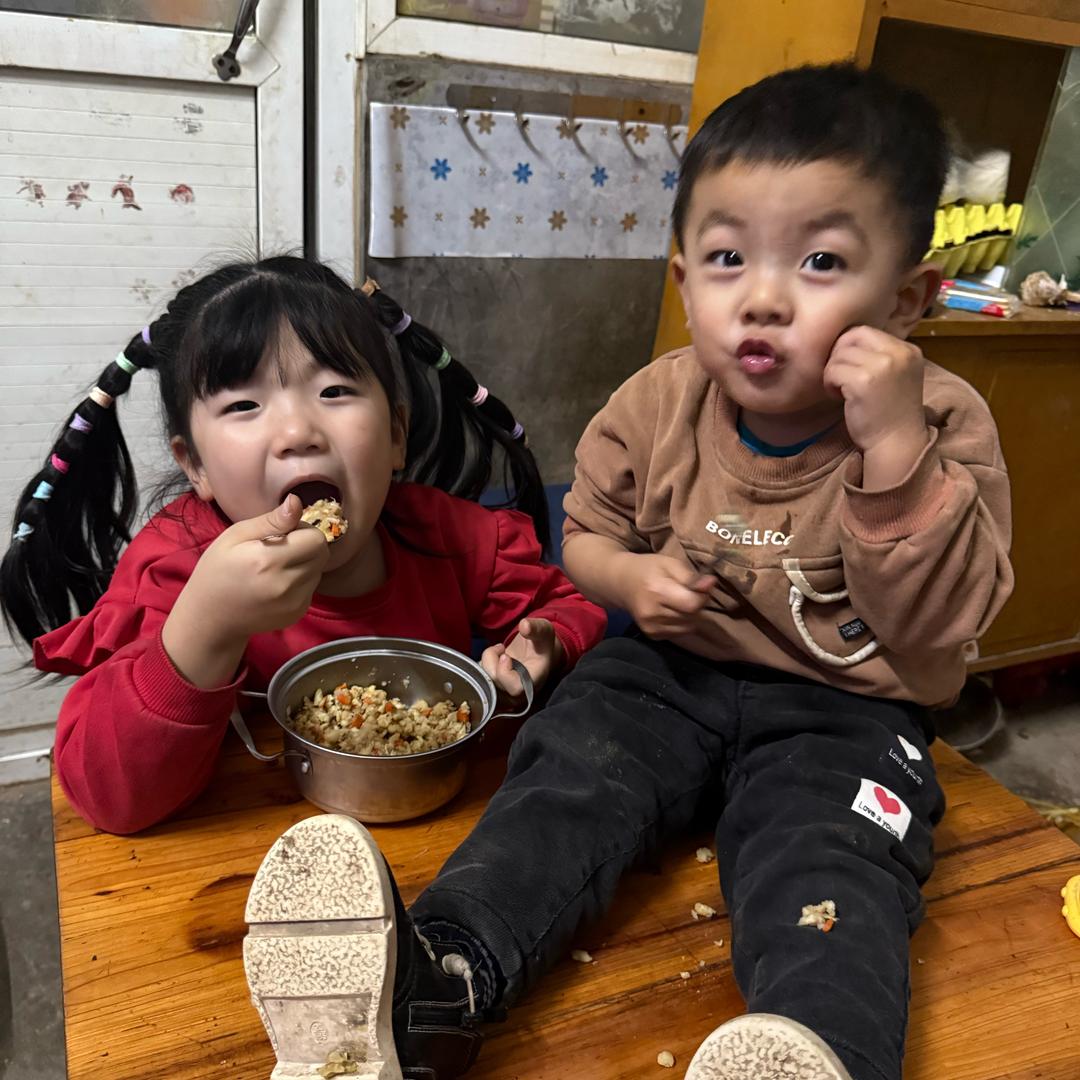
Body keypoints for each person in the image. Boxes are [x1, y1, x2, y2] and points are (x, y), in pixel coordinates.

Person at [239, 63, 1013, 1080]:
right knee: (565, 780)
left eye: (822, 262)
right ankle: (428, 991)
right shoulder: (656, 403)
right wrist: (632, 586)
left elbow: (939, 633)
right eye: (729, 258)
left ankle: (822, 1051)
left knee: (829, 866)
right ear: (686, 278)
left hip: (847, 712)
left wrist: (896, 448)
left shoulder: (946, 424)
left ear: (907, 299)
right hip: (663, 673)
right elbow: (586, 539)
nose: (765, 300)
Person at [0, 256, 606, 836]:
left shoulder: (452, 538)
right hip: (241, 852)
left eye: (335, 391)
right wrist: (205, 627)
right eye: (243, 405)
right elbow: (107, 797)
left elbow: (568, 608)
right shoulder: (175, 569)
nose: (296, 433)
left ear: (396, 436)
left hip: (443, 832)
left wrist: (543, 646)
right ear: (196, 467)